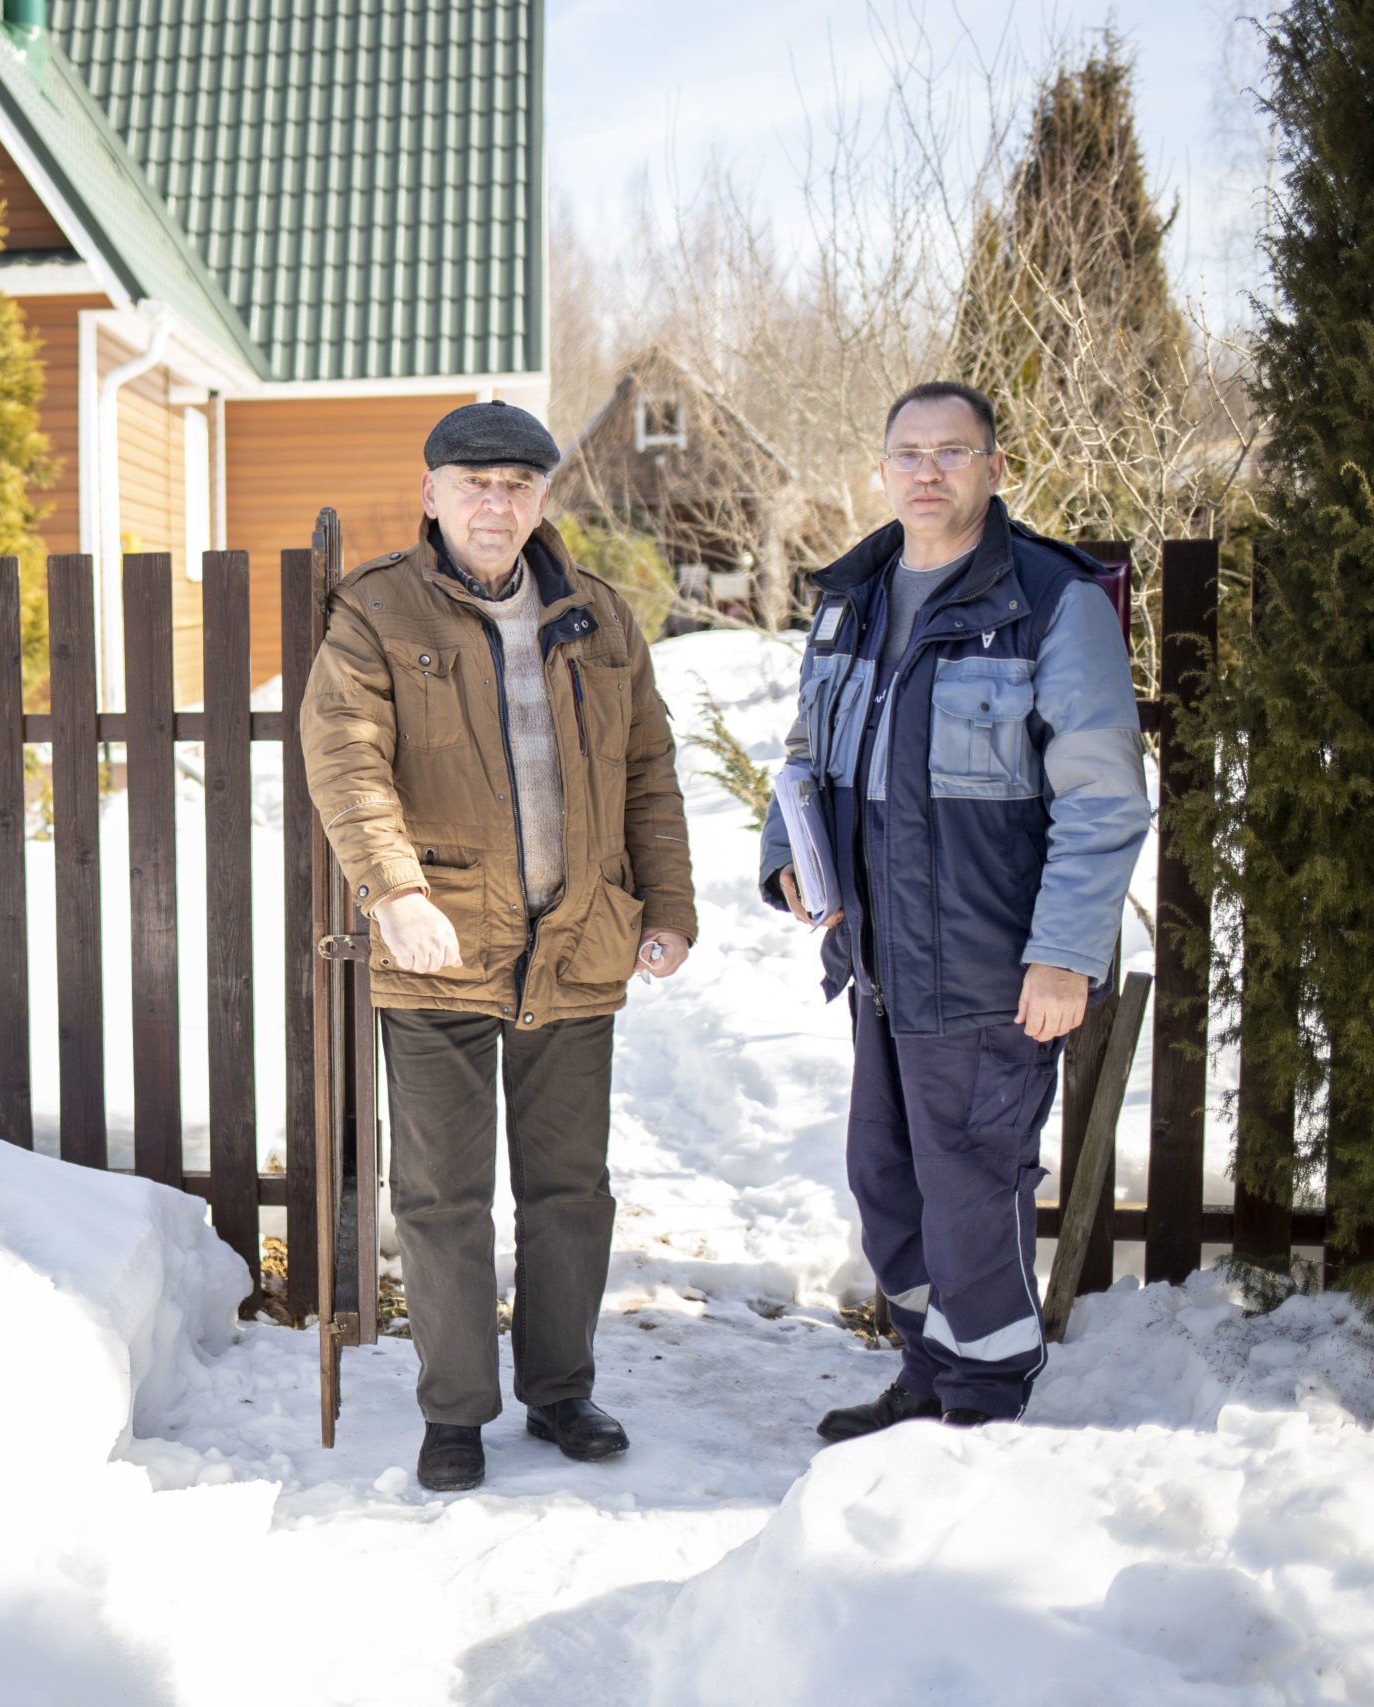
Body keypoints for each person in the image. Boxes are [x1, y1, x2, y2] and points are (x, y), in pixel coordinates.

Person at [302, 400, 698, 1491]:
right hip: (436, 953)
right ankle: (457, 1411)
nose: (495, 501)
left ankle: (561, 1391)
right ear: (429, 493)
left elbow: (647, 777)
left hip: (574, 943)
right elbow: (347, 763)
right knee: (440, 1198)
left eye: (516, 484)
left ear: (541, 499)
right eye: (472, 482)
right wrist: (393, 892)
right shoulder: (376, 611)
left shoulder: (603, 618)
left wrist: (665, 904)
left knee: (571, 1189)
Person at [760, 381, 1148, 1438]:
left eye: (951, 451)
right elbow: (805, 757)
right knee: (886, 1180)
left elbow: (1104, 799)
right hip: (878, 958)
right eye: (907, 453)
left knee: (971, 1193)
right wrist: (785, 857)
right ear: (880, 468)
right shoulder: (853, 595)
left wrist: (1063, 956)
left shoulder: (1049, 601)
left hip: (988, 965)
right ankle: (928, 1376)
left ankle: (982, 1408)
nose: (925, 472)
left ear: (993, 467)